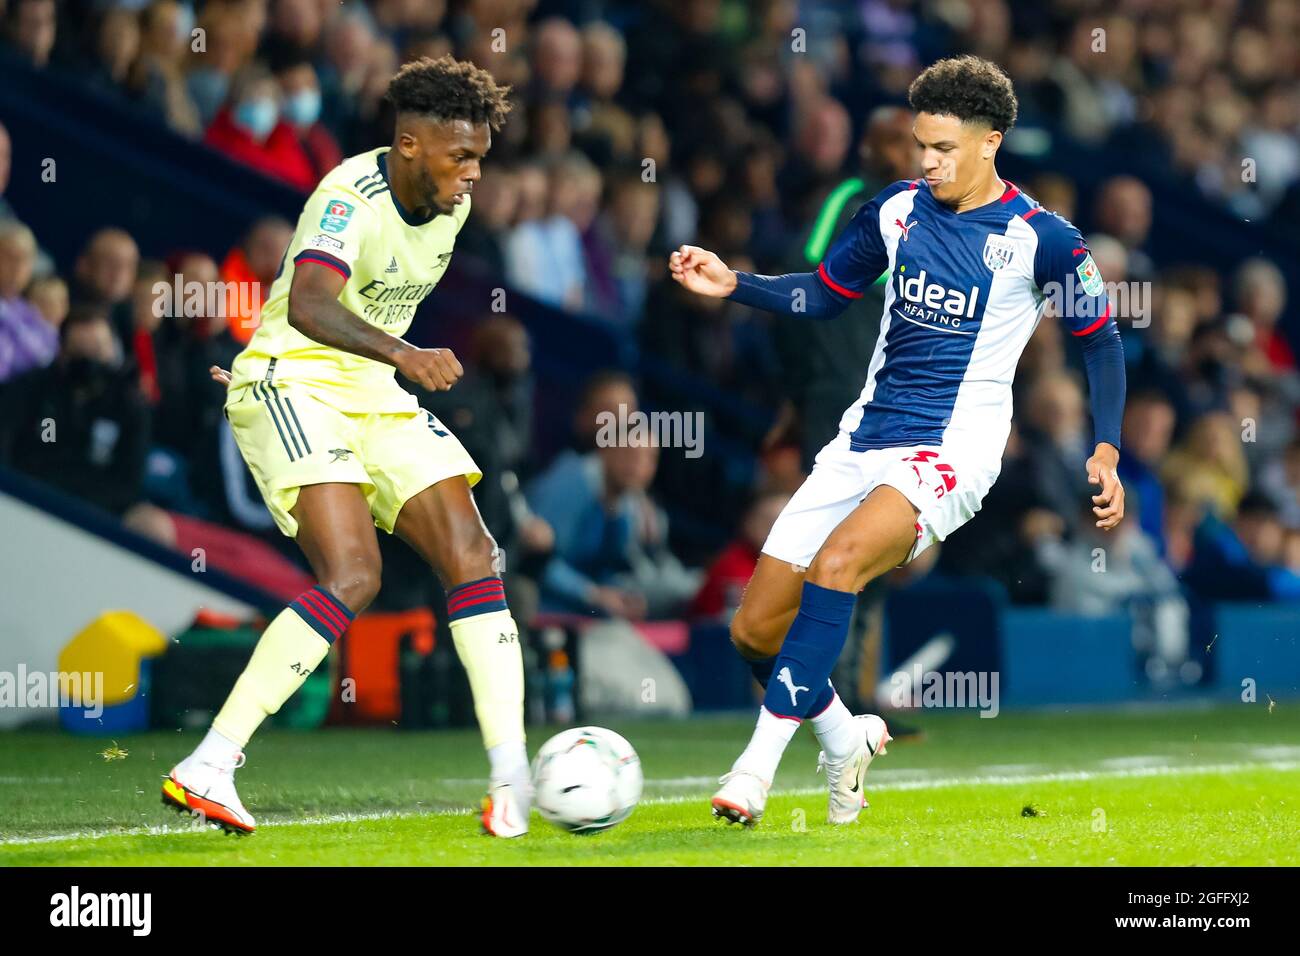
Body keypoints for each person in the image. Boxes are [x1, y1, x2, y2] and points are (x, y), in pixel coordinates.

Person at [668, 55, 1127, 827]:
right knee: (754, 631)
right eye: (922, 144)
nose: (928, 161)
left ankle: (753, 772)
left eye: (944, 147)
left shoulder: (1043, 239)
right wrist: (735, 283)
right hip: (863, 438)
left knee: (839, 564)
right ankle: (846, 737)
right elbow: (822, 294)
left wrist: (1106, 449)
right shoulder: (895, 210)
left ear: (992, 142)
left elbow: (1102, 341)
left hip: (953, 453)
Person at [161, 56, 532, 838]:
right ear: (407, 144)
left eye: (480, 159)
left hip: (368, 392)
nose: (473, 175)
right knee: (354, 573)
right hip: (291, 384)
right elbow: (308, 301)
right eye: (459, 156)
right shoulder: (346, 197)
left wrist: (387, 366)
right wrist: (403, 355)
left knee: (474, 552)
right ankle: (211, 763)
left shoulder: (452, 208)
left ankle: (511, 780)